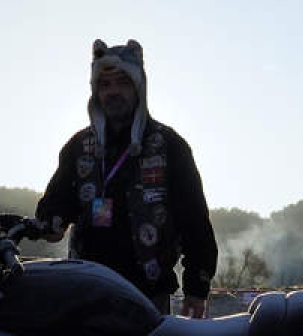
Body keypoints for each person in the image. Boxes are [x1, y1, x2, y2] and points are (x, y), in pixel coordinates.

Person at [36, 39, 217, 318]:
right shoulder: (78, 147)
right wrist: (50, 222)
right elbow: (55, 204)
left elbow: (194, 221)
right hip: (87, 289)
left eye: (122, 83)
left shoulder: (169, 145)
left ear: (139, 87)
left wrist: (197, 286)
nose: (113, 92)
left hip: (148, 294)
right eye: (104, 85)